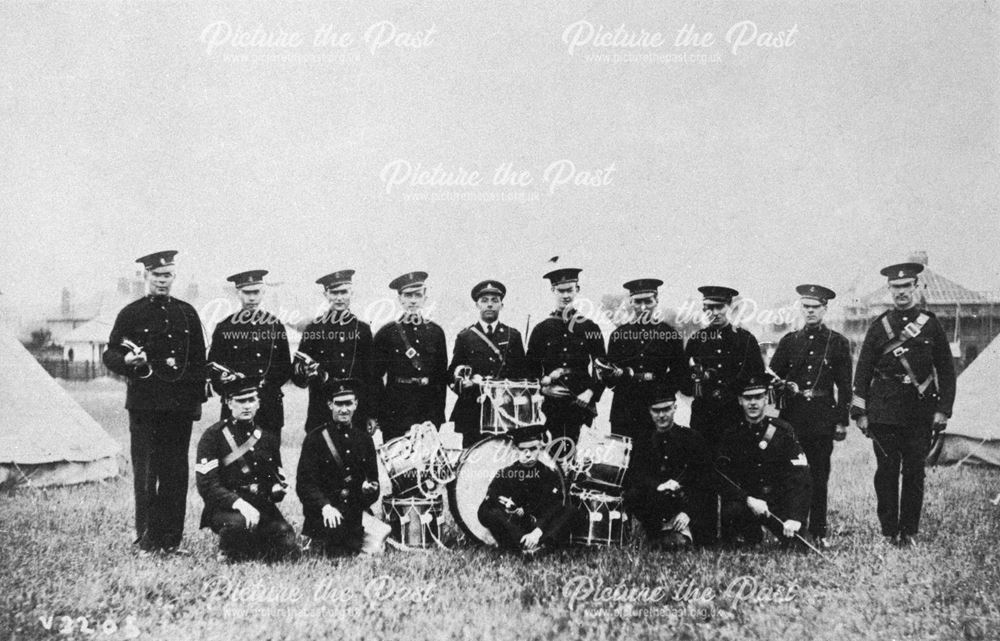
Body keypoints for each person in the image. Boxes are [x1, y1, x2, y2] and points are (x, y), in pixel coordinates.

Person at [103, 250, 207, 554]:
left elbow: (198, 360)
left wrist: (195, 404)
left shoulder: (187, 313)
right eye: (157, 275)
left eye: (168, 275)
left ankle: (171, 541)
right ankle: (148, 541)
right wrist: (127, 361)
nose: (162, 281)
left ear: (174, 277)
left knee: (175, 474)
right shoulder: (130, 313)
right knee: (147, 475)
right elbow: (109, 353)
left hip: (179, 409)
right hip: (145, 407)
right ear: (146, 276)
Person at [851, 262, 956, 547]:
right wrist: (860, 411)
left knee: (914, 473)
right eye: (896, 287)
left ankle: (908, 531)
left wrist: (942, 410)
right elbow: (862, 370)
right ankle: (889, 531)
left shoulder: (930, 325)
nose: (901, 293)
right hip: (884, 412)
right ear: (889, 289)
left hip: (920, 411)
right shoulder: (879, 327)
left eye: (906, 286)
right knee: (885, 473)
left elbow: (946, 370)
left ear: (916, 287)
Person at [769, 284, 853, 548]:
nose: (810, 312)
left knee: (818, 475)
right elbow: (772, 378)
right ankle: (790, 529)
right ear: (800, 308)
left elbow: (845, 387)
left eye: (815, 307)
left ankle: (818, 531)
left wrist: (841, 421)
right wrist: (781, 387)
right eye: (806, 307)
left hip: (821, 418)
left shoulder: (838, 343)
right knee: (790, 474)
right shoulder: (789, 341)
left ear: (825, 309)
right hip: (792, 418)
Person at [194, 378, 297, 562]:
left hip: (259, 504)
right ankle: (228, 551)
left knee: (286, 541)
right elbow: (207, 485)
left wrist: (276, 489)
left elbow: (272, 482)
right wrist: (239, 504)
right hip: (226, 506)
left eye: (251, 400)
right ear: (229, 402)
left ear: (258, 403)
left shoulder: (267, 438)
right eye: (241, 401)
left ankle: (254, 544)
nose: (247, 406)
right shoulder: (213, 436)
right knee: (239, 527)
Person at [716, 375, 812, 548]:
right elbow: (722, 478)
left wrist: (795, 517)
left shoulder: (783, 430)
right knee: (736, 532)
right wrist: (747, 499)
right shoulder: (731, 435)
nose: (753, 403)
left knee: (796, 545)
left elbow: (800, 477)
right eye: (747, 398)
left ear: (766, 399)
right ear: (740, 401)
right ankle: (750, 533)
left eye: (758, 397)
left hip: (776, 503)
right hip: (747, 504)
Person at [296, 378, 382, 556]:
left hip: (353, 512)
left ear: (356, 404)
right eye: (339, 404)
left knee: (372, 547)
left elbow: (374, 483)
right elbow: (304, 485)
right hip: (325, 513)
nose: (344, 409)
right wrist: (325, 506)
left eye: (349, 403)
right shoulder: (315, 439)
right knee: (335, 550)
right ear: (330, 405)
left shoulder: (365, 440)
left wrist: (368, 490)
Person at [624, 385, 716, 548]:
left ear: (675, 408)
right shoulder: (643, 441)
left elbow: (705, 480)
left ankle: (682, 534)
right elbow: (636, 475)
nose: (661, 415)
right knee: (634, 494)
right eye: (656, 411)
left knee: (678, 543)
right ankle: (656, 532)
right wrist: (658, 486)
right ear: (649, 412)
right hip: (658, 505)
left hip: (686, 506)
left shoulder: (692, 439)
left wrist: (689, 512)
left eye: (666, 409)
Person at [207, 269, 292, 439]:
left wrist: (264, 384)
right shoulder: (225, 327)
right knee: (235, 460)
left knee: (269, 461)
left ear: (263, 292)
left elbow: (284, 368)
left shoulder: (275, 326)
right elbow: (213, 368)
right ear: (238, 293)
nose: (252, 298)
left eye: (256, 292)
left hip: (269, 407)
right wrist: (226, 381)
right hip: (236, 408)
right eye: (247, 293)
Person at [604, 278, 688, 448]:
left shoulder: (669, 334)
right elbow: (608, 376)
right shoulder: (618, 335)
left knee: (655, 459)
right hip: (624, 409)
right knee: (622, 461)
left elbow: (680, 372)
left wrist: (663, 395)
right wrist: (616, 375)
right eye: (637, 302)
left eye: (648, 301)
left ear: (656, 301)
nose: (643, 307)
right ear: (630, 302)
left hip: (657, 410)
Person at [526, 267, 606, 444]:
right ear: (553, 291)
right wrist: (543, 388)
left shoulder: (590, 328)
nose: (565, 295)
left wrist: (591, 392)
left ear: (577, 290)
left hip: (581, 403)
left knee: (580, 458)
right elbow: (530, 369)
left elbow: (602, 367)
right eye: (561, 291)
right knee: (550, 456)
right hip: (549, 407)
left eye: (570, 290)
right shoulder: (541, 329)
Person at [683, 285, 765, 454]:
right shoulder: (696, 341)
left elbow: (758, 379)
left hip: (735, 417)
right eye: (709, 308)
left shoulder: (745, 340)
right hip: (703, 419)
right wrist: (695, 378)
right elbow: (684, 385)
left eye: (719, 307)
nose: (715, 312)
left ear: (729, 307)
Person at [292, 270, 376, 433]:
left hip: (355, 412)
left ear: (351, 293)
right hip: (322, 412)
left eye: (343, 292)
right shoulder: (314, 329)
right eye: (334, 292)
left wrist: (371, 414)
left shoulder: (363, 330)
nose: (339, 298)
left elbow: (371, 376)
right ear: (326, 294)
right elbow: (297, 377)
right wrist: (305, 372)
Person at [478, 424, 581, 555]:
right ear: (516, 451)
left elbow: (556, 506)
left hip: (540, 527)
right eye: (522, 450)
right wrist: (506, 506)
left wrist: (537, 532)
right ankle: (525, 543)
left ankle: (539, 544)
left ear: (540, 449)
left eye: (532, 449)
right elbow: (489, 502)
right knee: (486, 510)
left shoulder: (549, 474)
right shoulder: (505, 473)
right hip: (514, 526)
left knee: (571, 510)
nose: (527, 454)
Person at [448, 280, 528, 447]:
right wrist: (464, 382)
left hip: (505, 410)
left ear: (501, 305)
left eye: (494, 300)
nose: (489, 305)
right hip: (473, 410)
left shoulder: (512, 336)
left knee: (505, 458)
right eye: (484, 301)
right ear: (477, 305)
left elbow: (523, 374)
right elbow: (452, 373)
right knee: (472, 460)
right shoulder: (466, 337)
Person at [372, 271, 448, 441]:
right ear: (400, 299)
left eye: (417, 295)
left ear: (425, 298)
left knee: (427, 463)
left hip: (427, 408)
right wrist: (378, 413)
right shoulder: (387, 333)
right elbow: (374, 377)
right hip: (396, 409)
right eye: (408, 295)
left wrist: (437, 416)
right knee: (398, 462)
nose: (413, 300)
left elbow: (440, 377)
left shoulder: (436, 332)